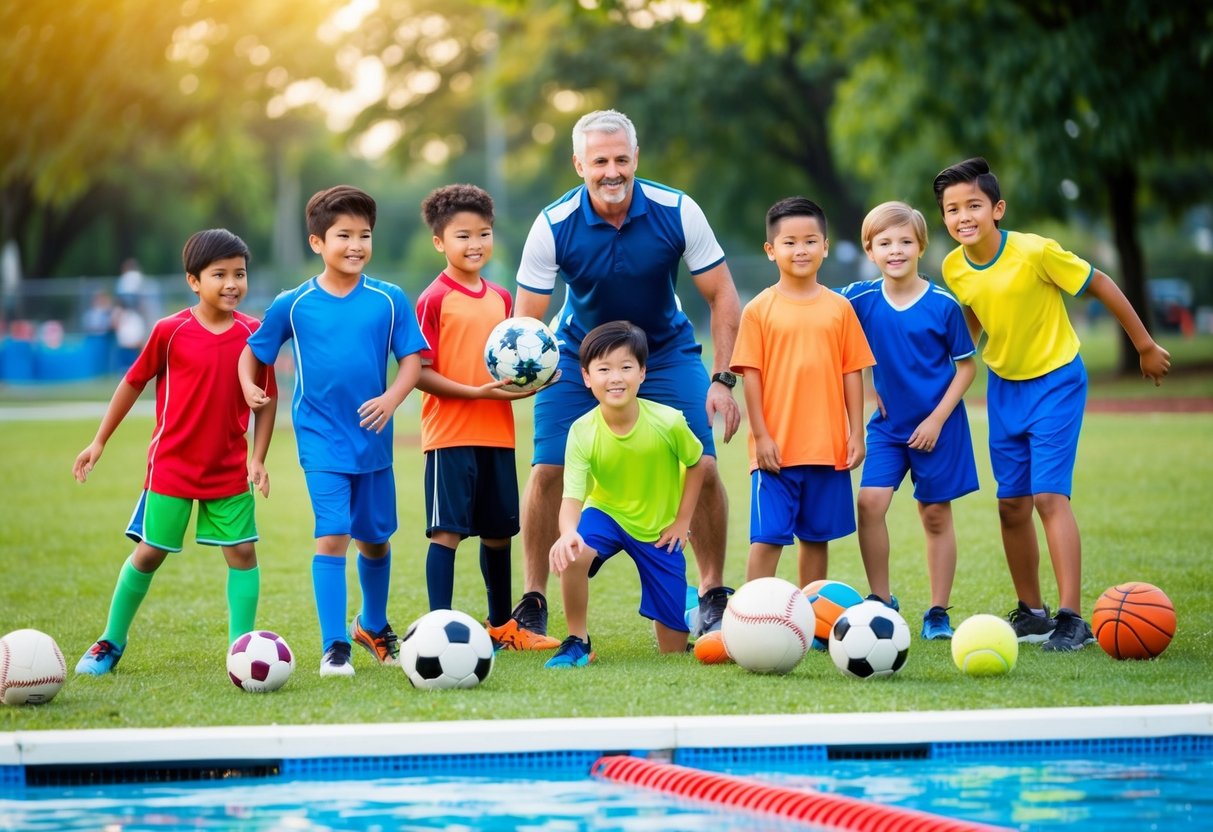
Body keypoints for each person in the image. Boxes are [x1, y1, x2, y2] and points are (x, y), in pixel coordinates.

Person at [512, 109, 742, 644]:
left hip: (664, 351)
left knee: (701, 461)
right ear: (578, 164)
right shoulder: (552, 225)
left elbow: (723, 295)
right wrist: (528, 371)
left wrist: (722, 378)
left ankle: (711, 594)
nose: (611, 171)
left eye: (621, 159)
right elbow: (526, 320)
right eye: (599, 161)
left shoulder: (677, 209)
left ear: (635, 158)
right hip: (576, 356)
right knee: (547, 468)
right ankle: (533, 600)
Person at [933, 157, 1171, 652]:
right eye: (952, 209)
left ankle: (1071, 619)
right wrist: (951, 364)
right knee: (1011, 505)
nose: (963, 217)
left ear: (997, 209)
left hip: (1057, 381)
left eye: (973, 205)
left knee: (1048, 498)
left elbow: (1101, 283)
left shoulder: (1034, 251)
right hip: (1004, 387)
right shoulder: (953, 267)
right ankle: (1034, 614)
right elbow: (976, 318)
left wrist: (1145, 345)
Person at [239, 185, 427, 676]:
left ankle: (373, 623)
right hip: (319, 438)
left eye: (364, 235)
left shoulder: (389, 300)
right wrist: (246, 385)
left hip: (374, 443)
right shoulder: (293, 303)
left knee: (376, 540)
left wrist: (391, 399)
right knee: (333, 535)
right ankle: (335, 645)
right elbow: (254, 352)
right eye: (343, 235)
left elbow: (412, 361)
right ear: (317, 242)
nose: (356, 245)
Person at [73, 229, 275, 676]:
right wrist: (99, 440)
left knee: (242, 552)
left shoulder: (255, 334)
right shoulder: (170, 331)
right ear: (193, 280)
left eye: (239, 274)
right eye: (218, 274)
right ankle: (110, 640)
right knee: (149, 553)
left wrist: (257, 457)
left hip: (227, 468)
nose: (231, 284)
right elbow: (132, 382)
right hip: (172, 466)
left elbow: (267, 397)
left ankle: (239, 652)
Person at [414, 184, 559, 651]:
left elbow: (504, 379)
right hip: (450, 435)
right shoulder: (433, 299)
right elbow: (418, 372)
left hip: (498, 436)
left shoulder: (501, 299)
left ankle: (502, 627)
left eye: (484, 233)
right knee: (448, 532)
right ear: (440, 242)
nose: (475, 244)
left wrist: (536, 384)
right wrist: (473, 393)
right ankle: (439, 628)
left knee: (499, 533)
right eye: (462, 236)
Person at [839, 201, 979, 640]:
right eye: (884, 243)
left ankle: (937, 612)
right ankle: (881, 598)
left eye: (904, 242)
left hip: (939, 427)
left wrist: (938, 419)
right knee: (870, 503)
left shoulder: (943, 305)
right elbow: (835, 339)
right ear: (870, 249)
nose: (895, 250)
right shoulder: (857, 298)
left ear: (921, 246)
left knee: (935, 514)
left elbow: (967, 367)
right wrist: (869, 387)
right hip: (887, 426)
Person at [730, 197, 875, 589]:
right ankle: (750, 617)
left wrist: (856, 432)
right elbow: (752, 377)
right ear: (771, 250)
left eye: (811, 241)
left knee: (816, 538)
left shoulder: (840, 308)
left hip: (828, 449)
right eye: (790, 242)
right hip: (776, 450)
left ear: (825, 247)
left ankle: (810, 617)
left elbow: (852, 372)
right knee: (768, 538)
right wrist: (761, 436)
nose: (801, 250)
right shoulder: (759, 309)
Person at [546, 321, 706, 668]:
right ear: (587, 377)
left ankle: (687, 601)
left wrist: (682, 522)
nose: (615, 377)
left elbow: (697, 464)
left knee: (673, 651)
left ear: (642, 373)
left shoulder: (668, 421)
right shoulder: (582, 431)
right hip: (607, 514)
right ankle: (577, 640)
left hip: (659, 529)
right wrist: (568, 533)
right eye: (604, 369)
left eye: (626, 367)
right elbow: (572, 496)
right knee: (574, 552)